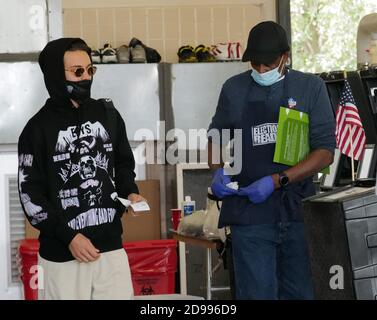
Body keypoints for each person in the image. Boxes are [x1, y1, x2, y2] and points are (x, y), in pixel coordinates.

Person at [207, 21, 336, 299]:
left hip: (297, 212)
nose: (261, 70)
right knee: (257, 294)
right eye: (256, 64)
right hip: (250, 216)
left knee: (300, 293)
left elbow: (325, 151)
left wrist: (278, 180)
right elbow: (216, 137)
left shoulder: (310, 88)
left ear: (285, 56)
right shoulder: (234, 89)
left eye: (269, 63)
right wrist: (217, 171)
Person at [18, 38, 144, 300]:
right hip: (62, 259)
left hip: (110, 251)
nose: (86, 77)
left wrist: (130, 192)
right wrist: (69, 237)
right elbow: (31, 198)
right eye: (77, 72)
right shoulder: (36, 130)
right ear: (55, 74)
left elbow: (122, 164)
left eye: (90, 70)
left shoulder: (108, 115)